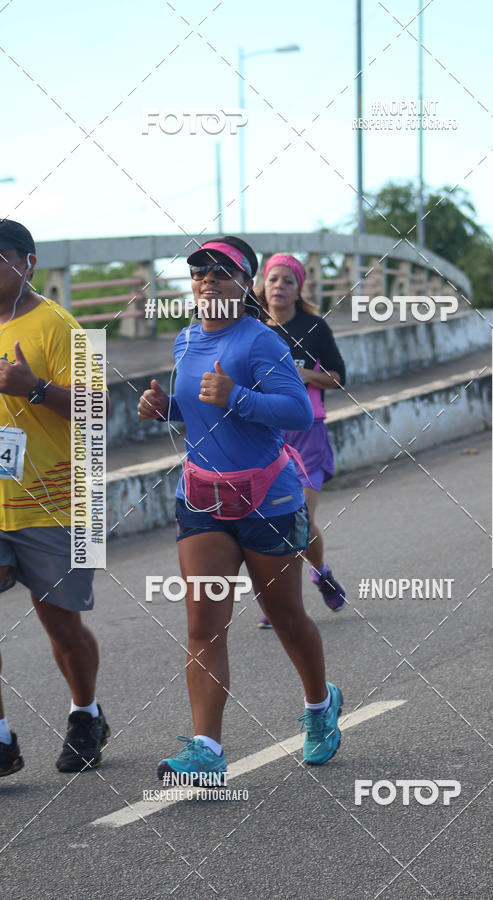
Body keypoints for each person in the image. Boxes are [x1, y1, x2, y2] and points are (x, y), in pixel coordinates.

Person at [138, 236, 343, 778]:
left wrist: (236, 396)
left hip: (267, 501)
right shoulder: (185, 341)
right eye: (199, 272)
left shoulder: (262, 342)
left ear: (245, 285)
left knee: (286, 617)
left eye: (221, 273)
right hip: (202, 499)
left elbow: (297, 413)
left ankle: (320, 706)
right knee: (204, 623)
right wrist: (162, 410)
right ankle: (207, 751)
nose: (207, 281)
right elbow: (195, 409)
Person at [0, 220, 109, 777]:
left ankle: (85, 714)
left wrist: (33, 389)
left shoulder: (59, 326)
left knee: (61, 626)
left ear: (28, 262)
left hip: (56, 501)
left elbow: (99, 411)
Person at [255, 253, 347, 629]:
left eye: (287, 281)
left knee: (301, 520)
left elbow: (339, 378)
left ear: (298, 289)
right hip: (265, 431)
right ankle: (279, 604)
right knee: (274, 522)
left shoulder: (314, 327)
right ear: (263, 284)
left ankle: (320, 573)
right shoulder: (253, 327)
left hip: (308, 431)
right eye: (273, 279)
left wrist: (303, 373)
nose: (279, 287)